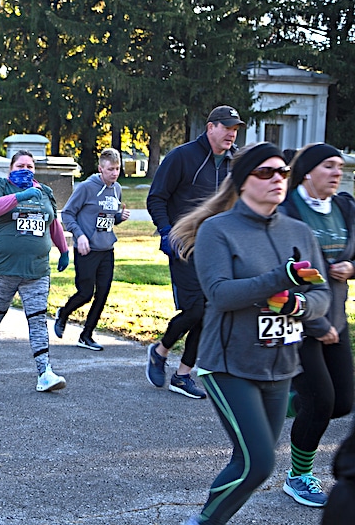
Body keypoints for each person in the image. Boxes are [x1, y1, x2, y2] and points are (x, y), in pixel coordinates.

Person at [169, 142, 331, 525]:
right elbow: (221, 294)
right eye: (265, 172)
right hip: (228, 365)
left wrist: (299, 306)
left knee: (248, 462)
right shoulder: (218, 230)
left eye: (283, 172)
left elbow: (320, 293)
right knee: (259, 464)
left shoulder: (299, 231)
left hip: (279, 365)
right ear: (243, 182)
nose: (277, 178)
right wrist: (281, 278)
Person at [145, 105, 244, 399]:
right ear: (210, 127)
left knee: (212, 309)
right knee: (196, 308)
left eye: (235, 128)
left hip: (219, 247)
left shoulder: (235, 163)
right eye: (226, 127)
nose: (231, 133)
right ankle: (161, 351)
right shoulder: (182, 157)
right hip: (184, 245)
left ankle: (181, 373)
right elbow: (156, 198)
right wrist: (166, 231)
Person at [277, 143, 354, 508]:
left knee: (342, 402)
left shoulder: (344, 206)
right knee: (321, 401)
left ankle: (287, 401)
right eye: (328, 166)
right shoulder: (287, 209)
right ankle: (299, 476)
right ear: (307, 171)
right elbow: (279, 265)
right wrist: (315, 321)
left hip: (336, 315)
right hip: (298, 318)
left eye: (340, 166)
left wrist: (351, 267)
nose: (337, 172)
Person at [0, 149, 71, 391]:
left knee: (38, 319)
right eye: (20, 166)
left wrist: (64, 249)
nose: (25, 170)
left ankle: (44, 372)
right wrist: (20, 196)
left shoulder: (44, 192)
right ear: (11, 168)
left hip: (36, 269)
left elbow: (53, 223)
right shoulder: (0, 186)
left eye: (30, 166)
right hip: (3, 267)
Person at [54, 148, 130, 350]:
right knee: (86, 293)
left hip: (107, 249)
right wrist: (80, 236)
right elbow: (68, 214)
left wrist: (119, 218)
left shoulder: (117, 189)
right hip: (87, 249)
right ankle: (63, 313)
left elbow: (108, 218)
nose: (114, 173)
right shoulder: (87, 188)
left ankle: (86, 335)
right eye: (110, 169)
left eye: (117, 169)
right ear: (100, 168)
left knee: (103, 292)